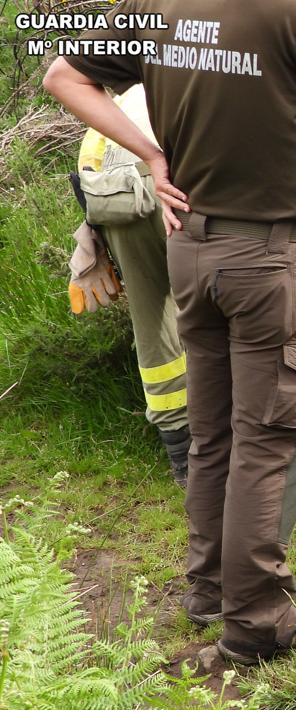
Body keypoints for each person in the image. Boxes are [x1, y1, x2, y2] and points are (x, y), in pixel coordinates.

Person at [44, 0, 296, 663]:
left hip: (191, 246)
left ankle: (208, 591)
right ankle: (257, 621)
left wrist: (151, 152)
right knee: (268, 436)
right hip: (272, 258)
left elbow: (63, 75)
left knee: (215, 428)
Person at [69, 85, 191, 487]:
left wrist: (93, 233)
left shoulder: (118, 103)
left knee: (154, 322)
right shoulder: (180, 73)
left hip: (113, 196)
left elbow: (88, 185)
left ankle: (183, 459)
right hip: (172, 176)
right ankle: (264, 444)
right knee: (230, 306)